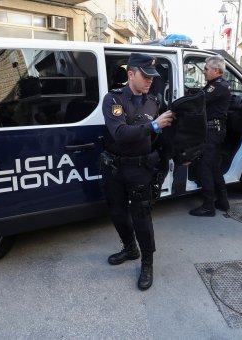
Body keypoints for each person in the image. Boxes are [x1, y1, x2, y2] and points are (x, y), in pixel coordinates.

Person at [100, 53, 175, 291]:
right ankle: (130, 248)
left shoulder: (154, 102)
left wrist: (174, 158)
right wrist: (153, 125)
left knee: (142, 216)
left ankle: (147, 262)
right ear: (131, 74)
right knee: (117, 213)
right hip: (114, 167)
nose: (150, 80)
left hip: (141, 168)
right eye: (146, 76)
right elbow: (120, 134)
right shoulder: (113, 99)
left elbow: (164, 138)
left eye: (153, 77)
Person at [189, 55, 231, 217]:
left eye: (206, 69)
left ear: (216, 70)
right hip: (213, 131)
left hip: (213, 132)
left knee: (205, 166)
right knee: (213, 166)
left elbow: (200, 100)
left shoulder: (219, 86)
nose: (204, 71)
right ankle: (223, 201)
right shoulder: (213, 85)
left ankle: (208, 206)